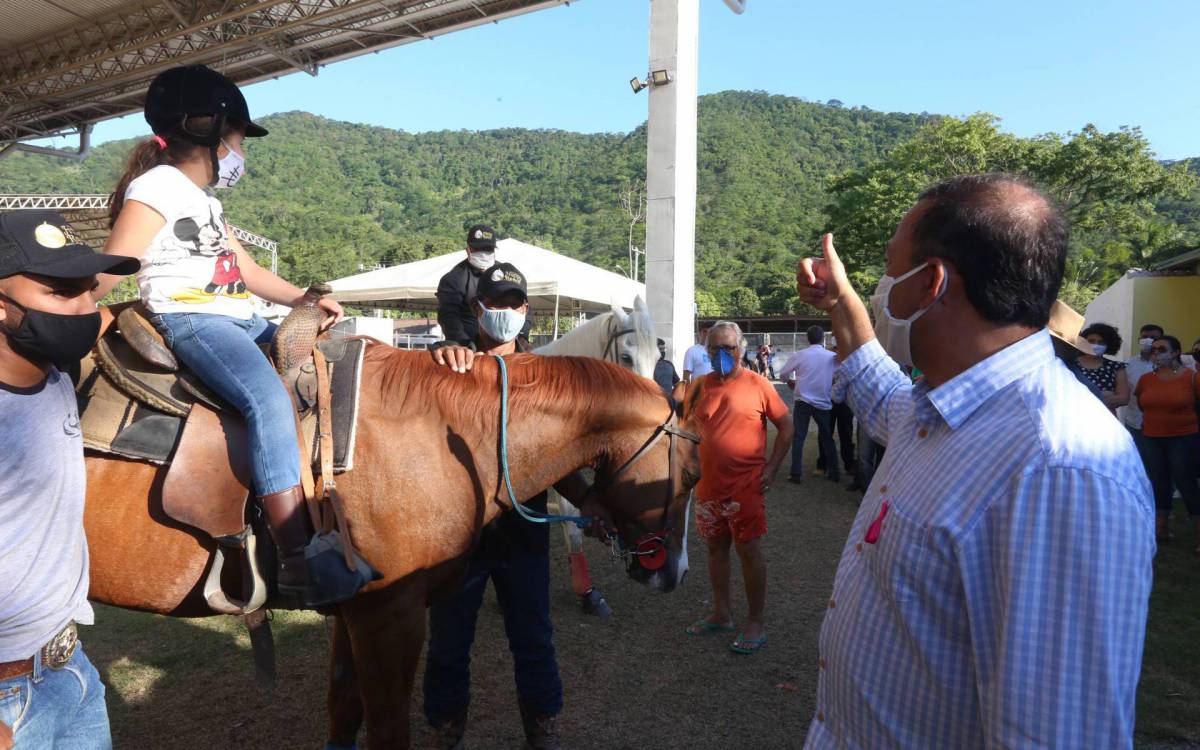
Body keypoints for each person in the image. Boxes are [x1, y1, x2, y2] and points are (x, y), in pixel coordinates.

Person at [796, 174, 1154, 749]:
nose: (884, 289)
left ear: (931, 283)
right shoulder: (940, 410)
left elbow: (1054, 735)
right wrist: (842, 302)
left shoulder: (1058, 470)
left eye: (890, 272)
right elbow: (878, 388)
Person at [93, 65, 350, 605]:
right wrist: (71, 295)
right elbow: (119, 262)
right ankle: (298, 556)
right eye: (239, 140)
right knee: (266, 399)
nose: (241, 153)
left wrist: (304, 298)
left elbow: (249, 273)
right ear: (208, 130)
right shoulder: (157, 185)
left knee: (327, 372)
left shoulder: (206, 201)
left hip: (241, 316)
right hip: (193, 319)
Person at [0, 210, 140, 749]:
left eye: (90, 291)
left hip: (70, 667)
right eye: (62, 293)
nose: (85, 310)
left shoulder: (54, 373)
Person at [423, 262, 563, 750]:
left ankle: (542, 724)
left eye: (512, 303)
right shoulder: (449, 367)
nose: (503, 311)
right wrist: (439, 355)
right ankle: (444, 727)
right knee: (448, 640)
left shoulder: (547, 377)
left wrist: (593, 504)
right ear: (476, 308)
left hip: (525, 533)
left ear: (525, 310)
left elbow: (561, 458)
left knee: (533, 637)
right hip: (458, 538)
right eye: (493, 302)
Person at [682, 321, 792, 655]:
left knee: (749, 552)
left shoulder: (759, 385)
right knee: (716, 548)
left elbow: (786, 426)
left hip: (745, 489)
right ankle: (722, 613)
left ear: (740, 350)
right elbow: (687, 430)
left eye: (727, 348)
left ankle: (755, 621)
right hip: (708, 489)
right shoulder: (699, 386)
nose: (720, 354)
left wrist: (771, 469)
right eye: (713, 348)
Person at [1134, 335, 1200, 549]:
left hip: (1183, 437)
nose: (1156, 353)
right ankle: (1160, 529)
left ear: (1176, 352)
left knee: (1186, 482)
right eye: (1154, 350)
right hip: (1152, 437)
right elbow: (1143, 405)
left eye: (1162, 349)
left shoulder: (1192, 378)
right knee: (1158, 483)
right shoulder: (1146, 380)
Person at [436, 224, 528, 348]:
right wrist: (466, 346)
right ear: (468, 249)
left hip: (507, 347)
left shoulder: (510, 274)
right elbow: (449, 317)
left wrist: (523, 336)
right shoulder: (454, 280)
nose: (483, 254)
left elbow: (523, 306)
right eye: (478, 249)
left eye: (488, 249)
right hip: (470, 345)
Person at [777, 325, 840, 484]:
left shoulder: (800, 355)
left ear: (807, 338)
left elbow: (783, 374)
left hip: (803, 401)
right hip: (823, 402)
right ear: (823, 339)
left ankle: (796, 473)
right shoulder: (831, 356)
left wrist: (789, 381)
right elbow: (841, 373)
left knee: (799, 437)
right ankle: (834, 473)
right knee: (827, 438)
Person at [1118, 323, 1164, 450]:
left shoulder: (1171, 365)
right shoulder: (1127, 365)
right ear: (1139, 340)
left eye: (1153, 338)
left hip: (1164, 426)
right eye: (1144, 337)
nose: (1148, 340)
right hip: (1134, 424)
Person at [1076, 322, 1130, 412]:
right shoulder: (1070, 363)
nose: (1096, 345)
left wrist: (1085, 399)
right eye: (1091, 341)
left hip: (1107, 421)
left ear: (1109, 345)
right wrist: (1105, 396)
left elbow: (1124, 399)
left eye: (1101, 342)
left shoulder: (1116, 367)